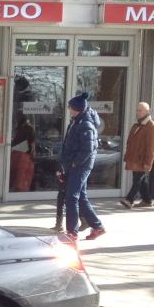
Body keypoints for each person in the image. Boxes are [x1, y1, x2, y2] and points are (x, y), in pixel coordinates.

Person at [60, 92, 105, 243]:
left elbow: (88, 148)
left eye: (70, 107)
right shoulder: (77, 121)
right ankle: (97, 227)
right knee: (81, 197)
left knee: (72, 197)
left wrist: (75, 162)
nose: (69, 110)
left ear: (77, 109)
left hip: (81, 165)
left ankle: (72, 232)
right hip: (76, 164)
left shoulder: (85, 124)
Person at [120, 101, 154, 209]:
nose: (138, 112)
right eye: (137, 110)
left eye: (140, 110)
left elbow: (151, 147)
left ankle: (129, 199)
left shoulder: (151, 126)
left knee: (138, 179)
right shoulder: (137, 125)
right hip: (134, 158)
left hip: (142, 159)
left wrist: (148, 162)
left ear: (147, 111)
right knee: (140, 180)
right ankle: (147, 200)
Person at [9, 110, 36, 193]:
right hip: (22, 153)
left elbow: (31, 142)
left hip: (20, 153)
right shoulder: (25, 127)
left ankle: (18, 189)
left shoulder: (24, 128)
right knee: (21, 174)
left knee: (19, 173)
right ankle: (20, 189)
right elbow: (32, 142)